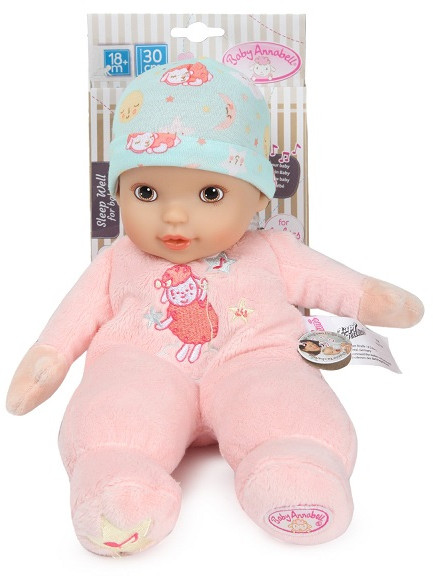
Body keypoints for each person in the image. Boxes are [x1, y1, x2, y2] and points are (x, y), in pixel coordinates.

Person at [7, 58, 423, 556]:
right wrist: (48, 358)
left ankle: (296, 468)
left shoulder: (271, 250)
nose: (174, 215)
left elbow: (333, 282)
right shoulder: (118, 260)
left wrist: (373, 299)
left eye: (210, 193)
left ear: (257, 198)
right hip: (143, 364)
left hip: (255, 357)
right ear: (117, 192)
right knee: (115, 408)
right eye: (146, 192)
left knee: (284, 397)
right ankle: (117, 481)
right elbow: (72, 320)